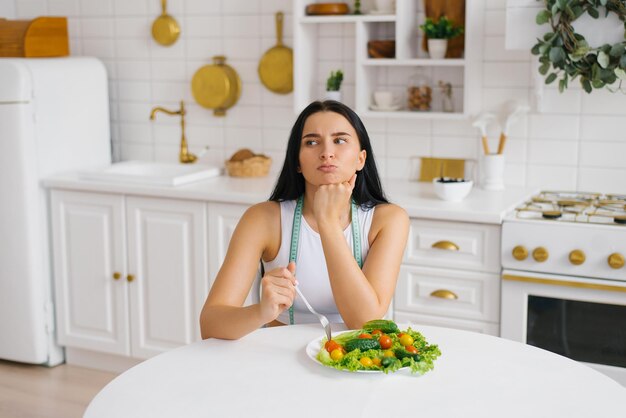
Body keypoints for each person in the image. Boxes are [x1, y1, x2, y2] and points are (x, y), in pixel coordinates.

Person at [200, 100, 409, 340]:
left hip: (355, 364)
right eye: (311, 142)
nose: (326, 152)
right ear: (297, 161)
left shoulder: (388, 220)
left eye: (340, 140)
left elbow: (364, 323)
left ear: (361, 159)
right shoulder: (263, 219)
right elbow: (210, 325)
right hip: (282, 360)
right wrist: (261, 312)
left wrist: (327, 222)